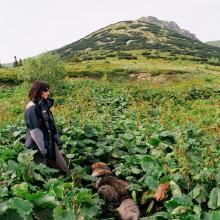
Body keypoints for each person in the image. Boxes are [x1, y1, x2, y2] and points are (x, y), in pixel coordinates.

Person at [24, 80, 68, 173]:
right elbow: (35, 130)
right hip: (37, 146)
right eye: (46, 91)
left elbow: (50, 123)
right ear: (39, 92)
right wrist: (43, 148)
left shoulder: (42, 104)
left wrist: (56, 136)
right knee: (43, 173)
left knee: (63, 169)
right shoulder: (31, 107)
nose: (48, 93)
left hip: (49, 141)